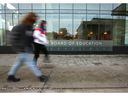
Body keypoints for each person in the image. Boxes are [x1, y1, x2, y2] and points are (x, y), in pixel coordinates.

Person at [7, 12, 48, 82]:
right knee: (31, 63)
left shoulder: (29, 27)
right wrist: (19, 47)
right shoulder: (20, 27)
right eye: (34, 19)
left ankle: (10, 76)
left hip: (25, 49)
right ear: (30, 19)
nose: (35, 21)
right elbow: (13, 39)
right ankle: (40, 76)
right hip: (23, 49)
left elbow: (30, 38)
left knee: (18, 63)